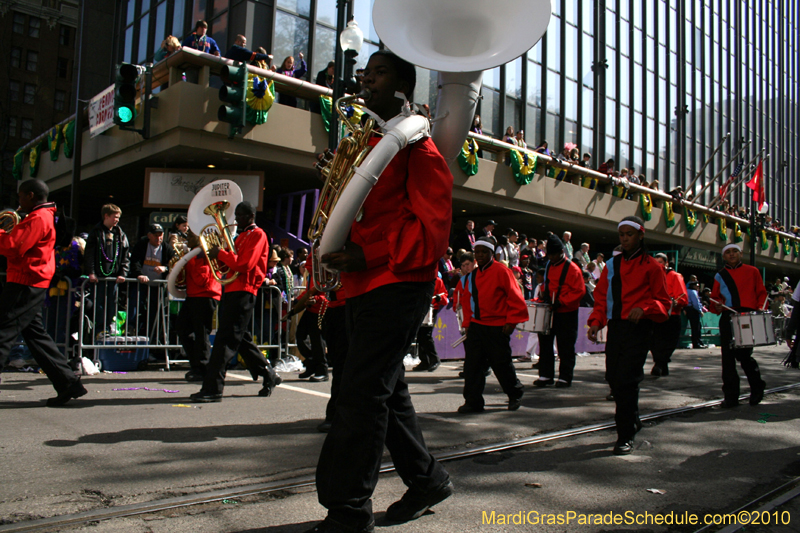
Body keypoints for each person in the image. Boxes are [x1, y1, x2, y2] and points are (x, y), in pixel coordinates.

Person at [309, 51, 453, 533]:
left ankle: (349, 512)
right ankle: (426, 479)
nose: (367, 77)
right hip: (361, 285)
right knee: (384, 394)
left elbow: (431, 230)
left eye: (380, 71)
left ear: (402, 88)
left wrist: (368, 255)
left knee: (361, 396)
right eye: (366, 71)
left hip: (395, 283)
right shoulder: (367, 145)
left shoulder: (419, 148)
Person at [587, 216, 671, 455]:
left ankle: (624, 435)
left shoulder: (653, 267)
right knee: (614, 379)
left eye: (629, 234)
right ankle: (632, 422)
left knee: (626, 381)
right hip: (616, 328)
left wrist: (645, 308)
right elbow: (601, 298)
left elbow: (664, 304)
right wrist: (595, 322)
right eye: (621, 234)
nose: (624, 238)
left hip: (639, 329)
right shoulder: (612, 266)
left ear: (640, 235)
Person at [0, 180, 86, 406]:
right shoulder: (43, 216)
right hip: (31, 280)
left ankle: (68, 382)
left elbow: (13, 247)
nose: (18, 201)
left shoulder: (39, 217)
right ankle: (68, 383)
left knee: (4, 331)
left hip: (25, 281)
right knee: (35, 335)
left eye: (21, 197)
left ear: (30, 195)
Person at [190, 202, 281, 402]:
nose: (236, 219)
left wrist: (220, 253)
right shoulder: (241, 236)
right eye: (236, 215)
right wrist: (215, 254)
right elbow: (229, 265)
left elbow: (244, 264)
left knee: (225, 340)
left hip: (244, 290)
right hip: (232, 289)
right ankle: (268, 374)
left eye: (240, 215)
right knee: (240, 338)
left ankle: (213, 389)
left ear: (251, 216)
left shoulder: (258, 234)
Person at [457, 236, 527, 414]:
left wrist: (511, 322)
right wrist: (467, 324)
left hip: (497, 326)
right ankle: (473, 401)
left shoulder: (502, 271)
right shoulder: (471, 276)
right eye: (477, 252)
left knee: (501, 364)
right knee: (472, 366)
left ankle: (514, 394)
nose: (479, 255)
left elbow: (515, 298)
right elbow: (466, 302)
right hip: (476, 326)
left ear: (491, 253)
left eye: (484, 252)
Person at [709, 243, 768, 408]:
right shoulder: (720, 275)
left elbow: (761, 293)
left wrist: (759, 311)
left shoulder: (753, 271)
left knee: (744, 356)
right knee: (727, 359)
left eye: (735, 251)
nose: (732, 254)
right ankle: (731, 396)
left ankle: (757, 386)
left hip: (746, 316)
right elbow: (714, 299)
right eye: (728, 252)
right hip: (728, 315)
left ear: (741, 253)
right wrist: (717, 306)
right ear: (723, 257)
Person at [534, 235, 586, 388]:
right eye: (549, 255)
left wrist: (562, 301)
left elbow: (579, 291)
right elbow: (547, 283)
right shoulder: (550, 265)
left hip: (566, 312)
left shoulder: (573, 269)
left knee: (565, 346)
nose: (551, 257)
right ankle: (545, 375)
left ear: (561, 252)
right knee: (545, 343)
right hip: (551, 309)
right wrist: (543, 292)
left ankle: (565, 376)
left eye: (554, 254)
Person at [176, 231, 221, 382]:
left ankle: (202, 367)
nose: (186, 239)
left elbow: (201, 279)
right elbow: (184, 280)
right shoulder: (195, 255)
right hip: (194, 295)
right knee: (183, 329)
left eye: (189, 236)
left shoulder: (204, 254)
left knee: (201, 333)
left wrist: (188, 261)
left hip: (205, 295)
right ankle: (197, 365)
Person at [84, 204, 131, 334]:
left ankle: (110, 326)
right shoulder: (96, 232)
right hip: (99, 277)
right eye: (115, 217)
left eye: (118, 218)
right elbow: (89, 254)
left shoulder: (120, 233)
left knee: (112, 303)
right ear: (106, 216)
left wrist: (123, 273)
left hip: (114, 277)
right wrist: (91, 272)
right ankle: (100, 329)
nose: (117, 220)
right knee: (99, 305)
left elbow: (126, 255)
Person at [129, 224, 174, 339]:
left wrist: (165, 268)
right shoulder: (142, 244)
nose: (158, 238)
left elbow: (174, 263)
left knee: (155, 312)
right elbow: (134, 261)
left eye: (161, 235)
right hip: (141, 283)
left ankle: (152, 337)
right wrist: (139, 274)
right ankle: (131, 330)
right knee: (135, 305)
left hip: (157, 285)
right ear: (149, 235)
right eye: (155, 235)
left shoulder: (167, 248)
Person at [649, 254, 688, 376]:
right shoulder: (652, 277)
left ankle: (660, 364)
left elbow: (683, 297)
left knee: (668, 342)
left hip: (672, 315)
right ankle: (661, 364)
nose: (658, 265)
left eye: (660, 262)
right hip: (655, 314)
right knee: (654, 342)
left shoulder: (675, 276)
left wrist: (676, 302)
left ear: (666, 264)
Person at [413, 275, 448, 372]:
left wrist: (438, 298)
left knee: (426, 334)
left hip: (432, 309)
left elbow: (444, 296)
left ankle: (434, 359)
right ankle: (424, 360)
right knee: (420, 335)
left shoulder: (438, 281)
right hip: (420, 307)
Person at [684, 281, 706, 349]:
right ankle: (697, 343)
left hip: (687, 309)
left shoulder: (686, 291)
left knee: (694, 327)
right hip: (693, 310)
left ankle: (697, 342)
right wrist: (700, 311)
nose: (698, 287)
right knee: (696, 327)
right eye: (697, 286)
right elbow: (696, 303)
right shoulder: (693, 292)